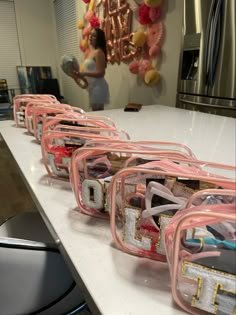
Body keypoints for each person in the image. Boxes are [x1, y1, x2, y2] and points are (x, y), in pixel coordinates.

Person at [73, 28, 110, 111]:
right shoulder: (92, 52)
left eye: (94, 36)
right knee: (96, 113)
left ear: (98, 39)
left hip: (98, 87)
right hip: (92, 87)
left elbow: (101, 73)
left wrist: (84, 74)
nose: (90, 37)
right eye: (90, 35)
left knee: (98, 114)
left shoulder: (99, 52)